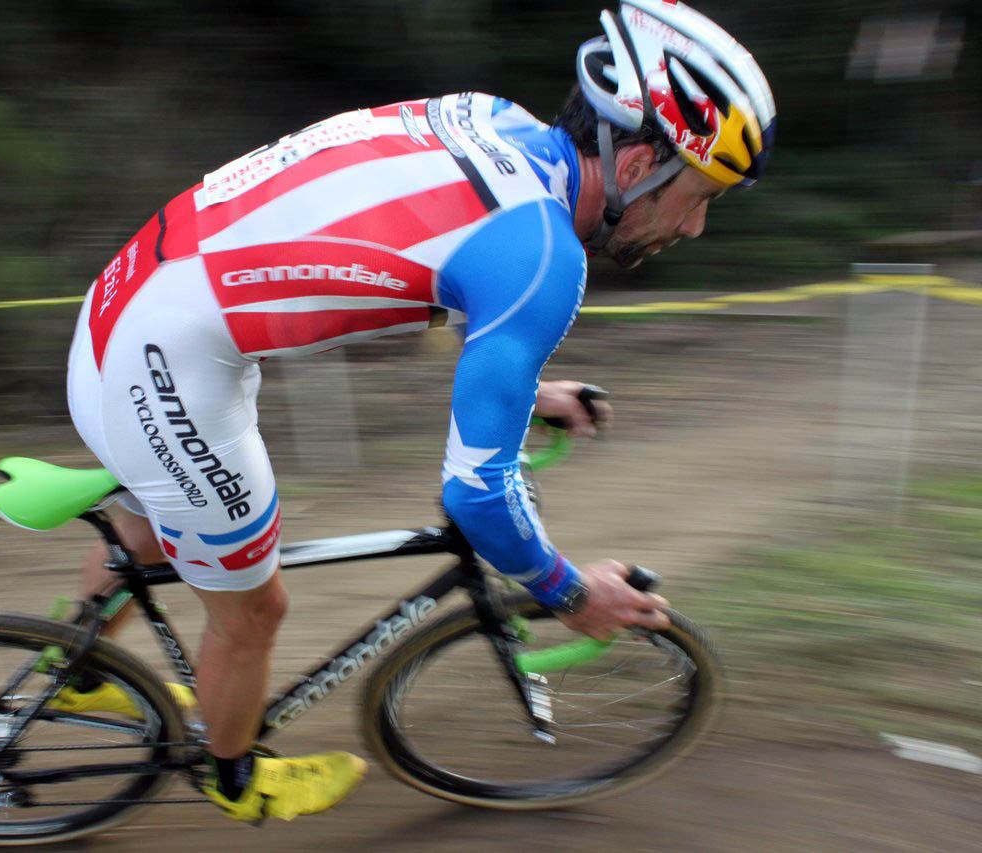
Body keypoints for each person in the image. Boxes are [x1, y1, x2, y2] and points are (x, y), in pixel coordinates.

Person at [60, 0, 776, 824]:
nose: (694, 225)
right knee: (254, 607)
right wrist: (573, 594)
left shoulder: (494, 120)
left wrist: (522, 389)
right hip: (169, 359)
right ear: (640, 160)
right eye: (697, 193)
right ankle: (232, 777)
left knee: (151, 524)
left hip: (127, 300)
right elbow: (475, 498)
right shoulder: (542, 255)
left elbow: (415, 258)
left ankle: (73, 674)